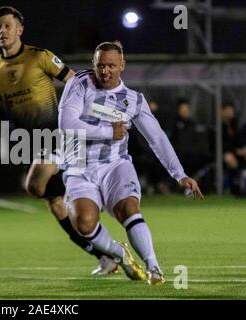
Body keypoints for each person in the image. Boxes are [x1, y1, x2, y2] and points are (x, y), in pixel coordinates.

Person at [0, 6, 117, 276]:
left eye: (7, 26)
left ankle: (100, 208)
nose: (2, 31)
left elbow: (76, 82)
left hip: (57, 134)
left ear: (20, 29)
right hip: (29, 142)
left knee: (44, 187)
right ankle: (103, 254)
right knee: (55, 203)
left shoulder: (40, 57)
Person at [58, 41, 204, 284]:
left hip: (115, 165)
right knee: (83, 223)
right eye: (100, 65)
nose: (105, 71)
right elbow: (66, 125)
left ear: (122, 66)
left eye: (111, 66)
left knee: (129, 209)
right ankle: (120, 254)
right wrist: (108, 131)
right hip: (79, 166)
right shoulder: (80, 83)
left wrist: (180, 175)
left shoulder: (134, 100)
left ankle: (154, 267)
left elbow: (156, 138)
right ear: (93, 65)